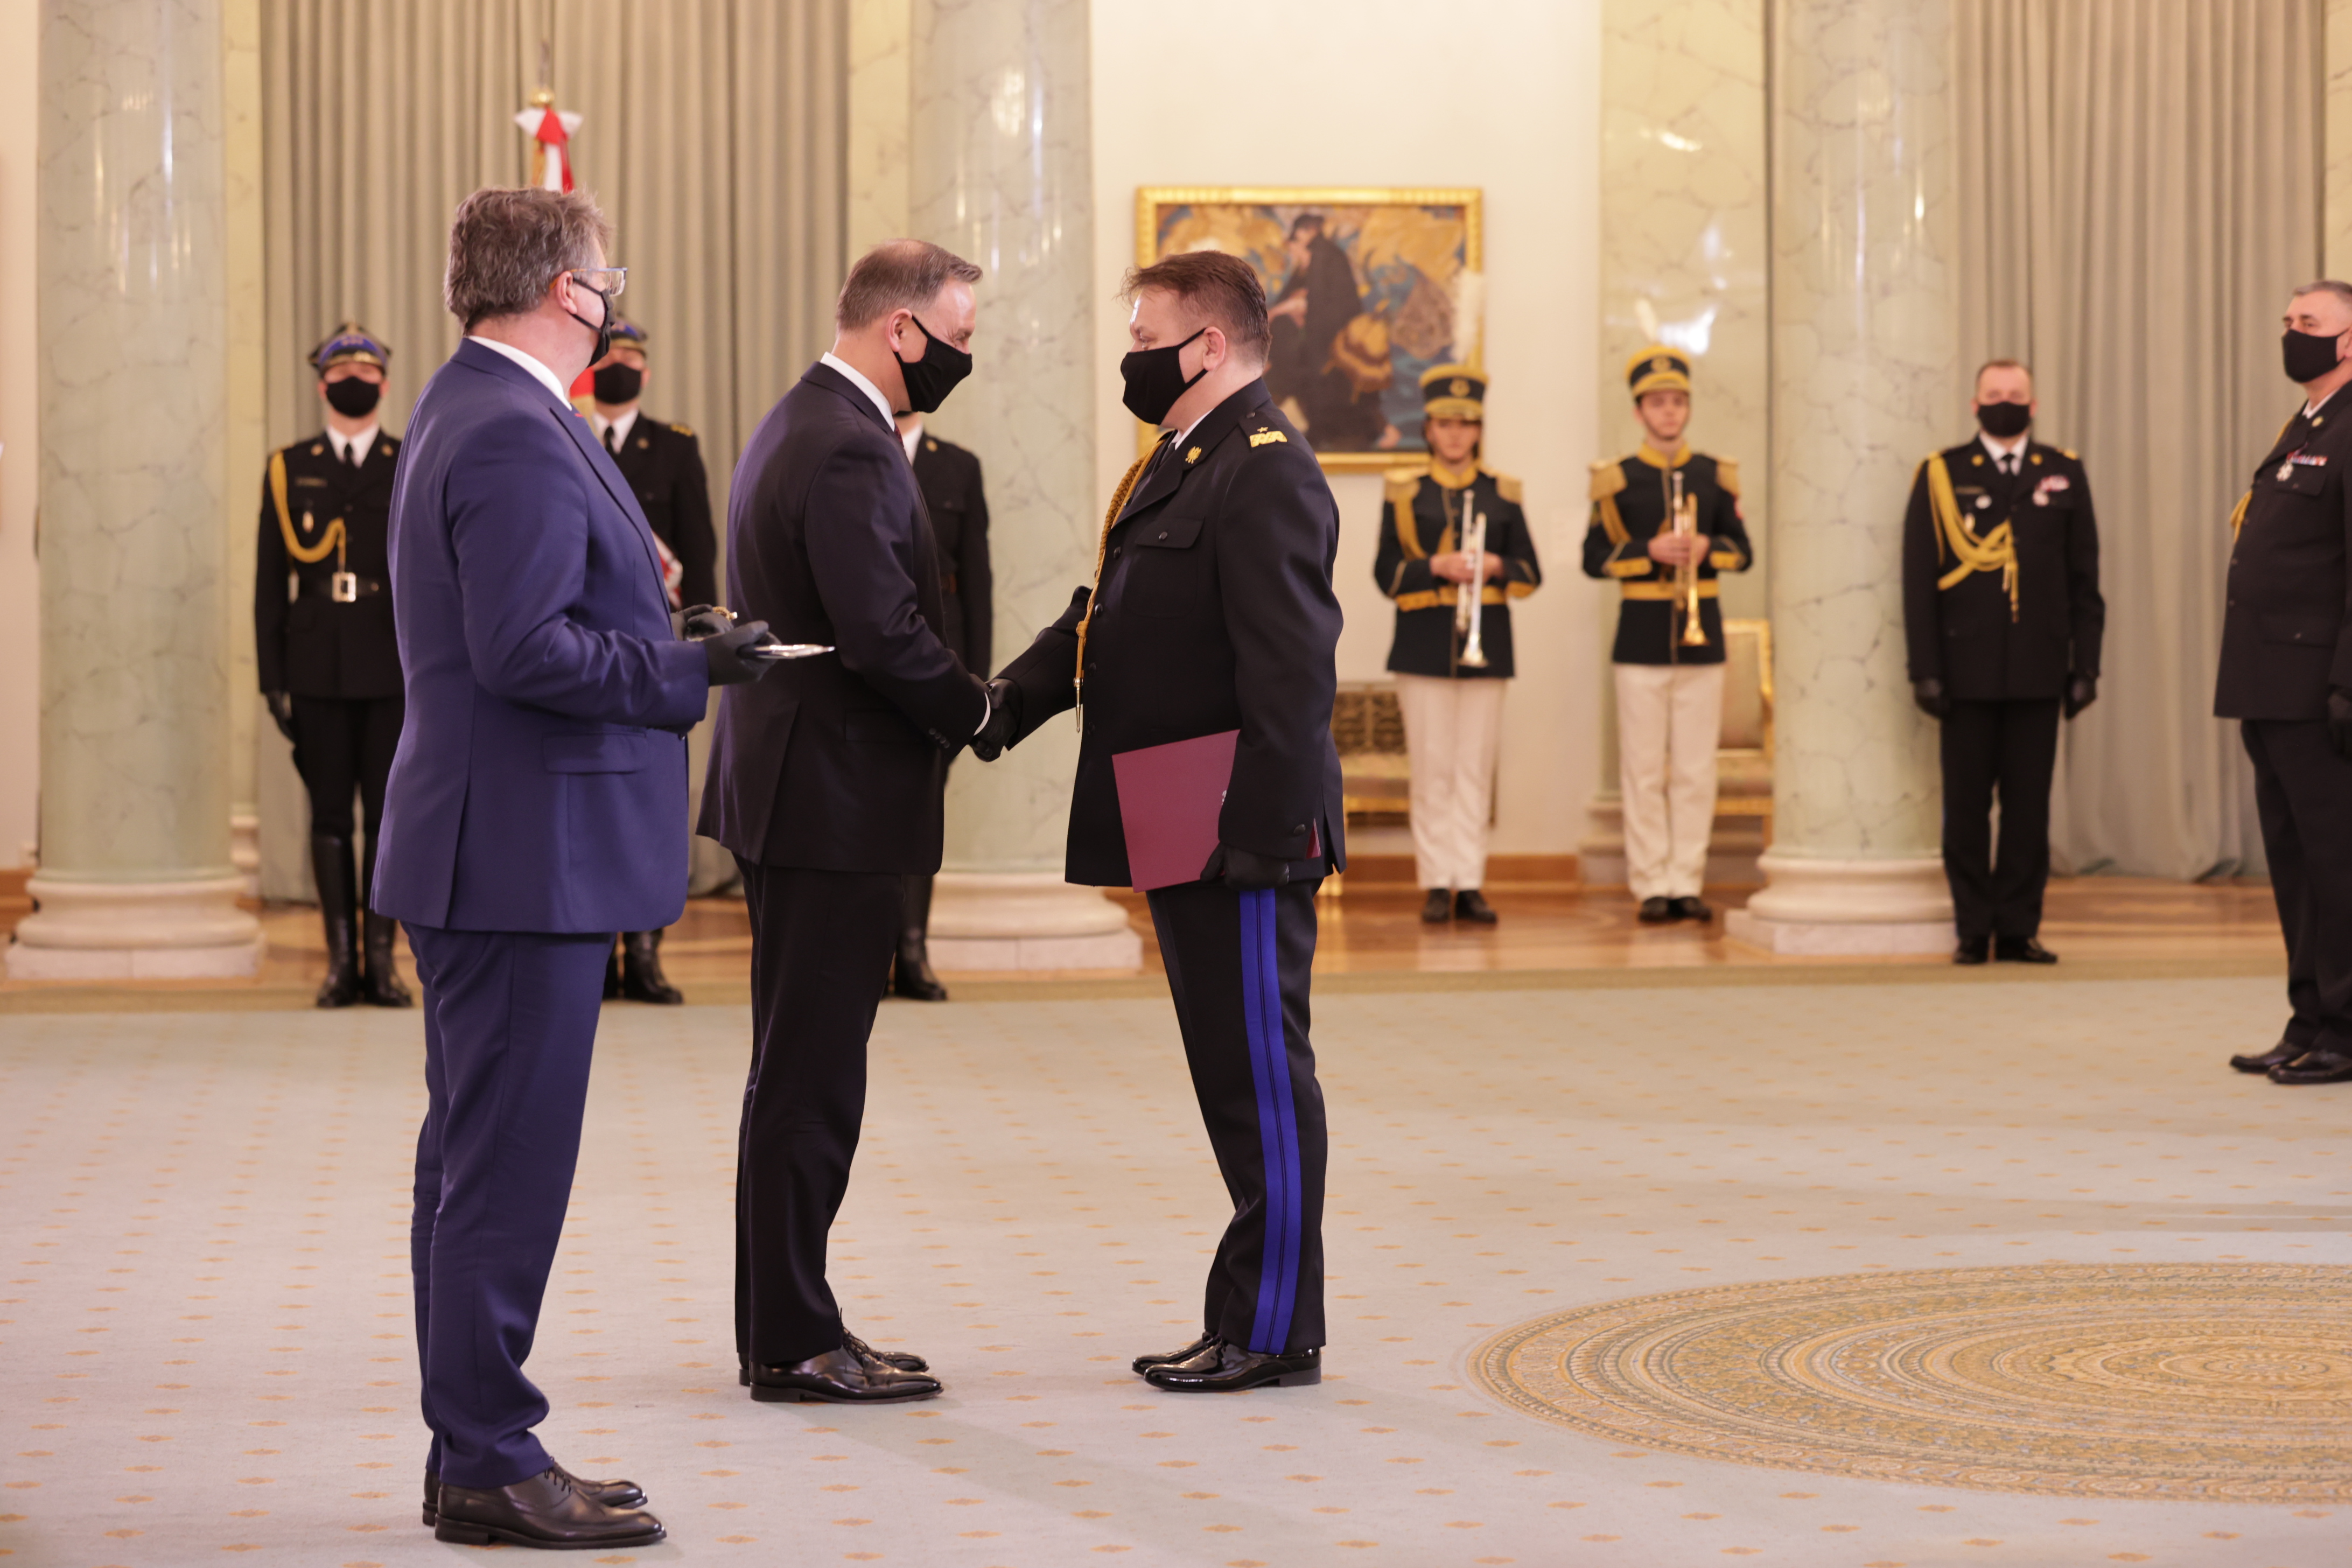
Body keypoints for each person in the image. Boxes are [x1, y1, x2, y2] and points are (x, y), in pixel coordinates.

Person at [374, 186, 781, 1550]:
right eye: (607, 274)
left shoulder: (478, 402)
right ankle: (489, 1456)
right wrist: (687, 669)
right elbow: (522, 652)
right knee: (502, 1168)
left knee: (472, 1160)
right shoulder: (510, 424)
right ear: (567, 290)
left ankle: (472, 1447)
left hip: (499, 845)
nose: (614, 293)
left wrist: (654, 614)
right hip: (517, 856)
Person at [987, 248, 1343, 1394]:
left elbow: (1294, 674)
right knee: (1227, 1075)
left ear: (1207, 345)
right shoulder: (1181, 459)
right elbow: (1105, 615)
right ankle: (1242, 1312)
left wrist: (1266, 835)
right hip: (1180, 799)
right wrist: (1002, 704)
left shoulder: (1267, 467)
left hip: (1240, 817)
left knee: (1262, 1082)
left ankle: (1275, 1329)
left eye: (1145, 340)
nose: (1131, 359)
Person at [699, 240, 1005, 1405]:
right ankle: (792, 1341)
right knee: (812, 1080)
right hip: (831, 797)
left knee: (796, 1070)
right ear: (900, 328)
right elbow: (882, 631)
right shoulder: (846, 443)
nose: (964, 357)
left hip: (803, 786)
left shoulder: (804, 418)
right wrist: (977, 709)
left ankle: (788, 1321)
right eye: (958, 337)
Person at [1901, 360, 2105, 966]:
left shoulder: (2063, 471)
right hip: (1963, 672)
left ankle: (2018, 928)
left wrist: (2086, 666)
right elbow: (1918, 582)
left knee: (2027, 811)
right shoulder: (1942, 473)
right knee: (1966, 811)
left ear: (2034, 406)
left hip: (2040, 670)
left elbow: (2084, 579)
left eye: (2016, 394)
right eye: (1994, 394)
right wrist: (1925, 669)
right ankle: (1972, 928)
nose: (2005, 402)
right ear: (1975, 405)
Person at [255, 323, 412, 1009]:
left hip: (392, 662)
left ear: (385, 384)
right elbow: (269, 583)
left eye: (367, 373)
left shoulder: (409, 459)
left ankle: (382, 962)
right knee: (328, 817)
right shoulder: (289, 466)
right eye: (342, 373)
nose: (355, 381)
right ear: (323, 386)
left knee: (387, 817)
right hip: (315, 664)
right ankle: (339, 962)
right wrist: (272, 678)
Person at [2220, 281, 2352, 1084]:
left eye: (2308, 322)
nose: (2291, 333)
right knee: (2294, 860)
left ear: (2349, 341)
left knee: (2337, 863)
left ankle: (2346, 1029)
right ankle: (2309, 1018)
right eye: (2287, 321)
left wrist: (2347, 686)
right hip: (2270, 679)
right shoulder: (2306, 424)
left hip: (2319, 690)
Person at [1582, 347, 1753, 925]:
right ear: (1639, 412)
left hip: (1703, 639)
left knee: (1696, 769)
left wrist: (1708, 547)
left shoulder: (1714, 474)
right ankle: (1651, 882)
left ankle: (1687, 879)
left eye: (1677, 402)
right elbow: (1593, 558)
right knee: (1643, 768)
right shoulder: (1617, 479)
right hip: (1641, 637)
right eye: (1657, 403)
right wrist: (1648, 551)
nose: (1669, 412)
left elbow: (1743, 552)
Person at [1374, 365, 1541, 925]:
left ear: (1478, 430)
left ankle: (1469, 881)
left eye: (1465, 424)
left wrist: (1494, 565)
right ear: (1429, 428)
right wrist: (1436, 566)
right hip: (1422, 645)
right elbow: (1386, 572)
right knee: (1432, 770)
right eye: (1445, 424)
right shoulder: (1405, 491)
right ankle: (1435, 881)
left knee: (1474, 768)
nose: (1454, 434)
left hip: (1487, 644)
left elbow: (1530, 572)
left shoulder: (1502, 492)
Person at [586, 316, 719, 1005]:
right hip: (592, 646)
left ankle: (644, 952)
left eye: (634, 358)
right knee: (597, 793)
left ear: (647, 370)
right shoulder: (569, 433)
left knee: (651, 794)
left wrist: (703, 643)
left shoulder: (674, 446)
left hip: (659, 642)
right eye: (615, 356)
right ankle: (598, 948)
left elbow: (699, 549)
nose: (623, 367)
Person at [890, 409, 995, 1000]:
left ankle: (912, 947)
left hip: (942, 659)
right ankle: (873, 950)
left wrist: (978, 684)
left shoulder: (958, 466)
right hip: (874, 659)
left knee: (922, 802)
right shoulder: (853, 447)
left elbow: (977, 580)